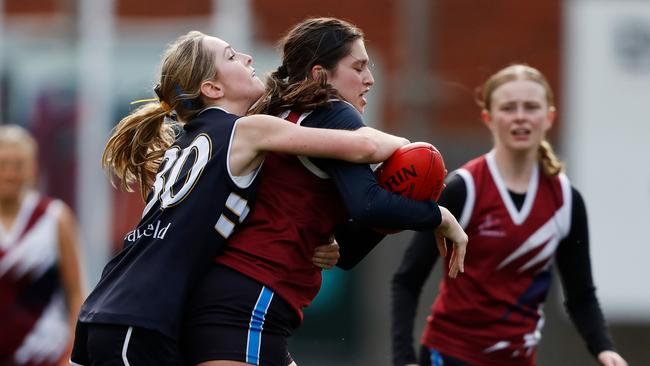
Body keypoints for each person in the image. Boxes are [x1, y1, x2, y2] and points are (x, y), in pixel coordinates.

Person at [69, 30, 408, 366]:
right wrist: (416, 152)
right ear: (213, 88)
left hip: (123, 307)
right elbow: (361, 146)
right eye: (231, 56)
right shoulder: (244, 131)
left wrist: (322, 239)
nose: (247, 58)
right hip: (141, 318)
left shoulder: (192, 141)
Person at [181, 17, 467, 366]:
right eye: (358, 67)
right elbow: (369, 206)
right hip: (251, 296)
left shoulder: (279, 113)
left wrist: (393, 207)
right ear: (320, 76)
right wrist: (439, 216)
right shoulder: (331, 110)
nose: (370, 79)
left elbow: (346, 248)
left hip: (237, 297)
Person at [389, 64, 628, 366]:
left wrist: (605, 349)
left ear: (549, 117)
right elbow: (407, 278)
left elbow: (581, 295)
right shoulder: (465, 189)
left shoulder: (566, 200)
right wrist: (403, 358)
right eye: (508, 107)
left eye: (530, 107)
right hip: (450, 355)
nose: (520, 116)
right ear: (489, 118)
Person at [0, 125, 83, 366]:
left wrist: (71, 354)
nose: (10, 173)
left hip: (48, 355)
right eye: (3, 164)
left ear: (33, 168)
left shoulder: (54, 217)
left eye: (19, 164)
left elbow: (76, 292)